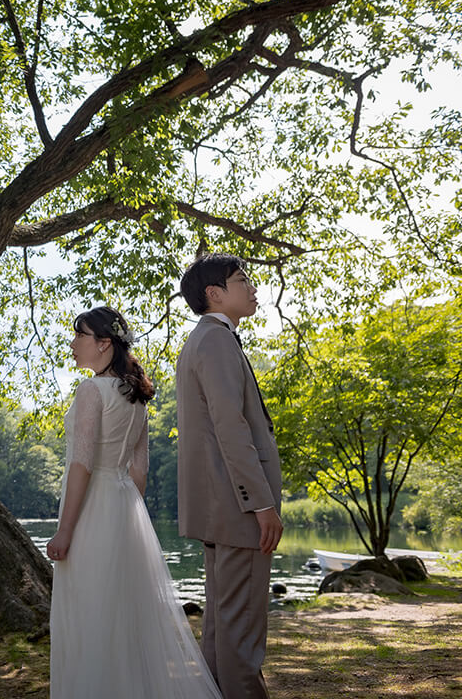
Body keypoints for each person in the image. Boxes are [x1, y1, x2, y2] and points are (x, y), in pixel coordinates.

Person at [47, 306, 222, 699]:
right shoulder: (136, 395)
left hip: (92, 510)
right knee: (122, 615)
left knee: (90, 614)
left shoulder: (91, 390)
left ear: (104, 343)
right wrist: (129, 521)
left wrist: (65, 530)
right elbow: (139, 470)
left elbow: (81, 464)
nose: (73, 345)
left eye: (80, 336)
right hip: (125, 507)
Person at [176, 254, 283, 699]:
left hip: (219, 508)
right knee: (241, 639)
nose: (253, 287)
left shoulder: (201, 341)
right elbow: (231, 427)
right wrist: (261, 502)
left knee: (222, 631)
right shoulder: (217, 341)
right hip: (240, 509)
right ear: (214, 294)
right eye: (243, 280)